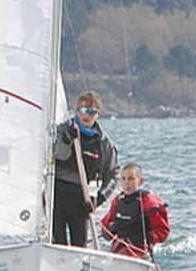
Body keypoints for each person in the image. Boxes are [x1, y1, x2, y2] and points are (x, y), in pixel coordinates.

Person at [51, 91, 118, 248]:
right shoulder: (62, 130)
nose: (85, 115)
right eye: (81, 110)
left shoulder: (103, 143)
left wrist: (100, 198)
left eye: (91, 111)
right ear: (76, 111)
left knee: (79, 244)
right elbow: (55, 153)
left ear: (97, 114)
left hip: (81, 198)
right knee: (58, 242)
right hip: (58, 192)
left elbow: (113, 174)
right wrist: (67, 139)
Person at [99, 163, 170, 259]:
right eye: (123, 179)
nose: (126, 183)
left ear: (140, 181)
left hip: (139, 251)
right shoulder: (117, 201)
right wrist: (111, 228)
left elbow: (163, 231)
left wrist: (146, 237)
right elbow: (105, 228)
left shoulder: (149, 201)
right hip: (118, 249)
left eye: (131, 179)